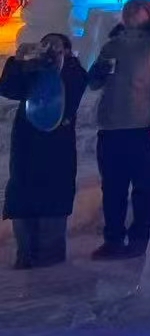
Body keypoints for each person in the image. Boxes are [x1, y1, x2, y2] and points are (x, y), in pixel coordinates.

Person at [87, 0, 150, 259]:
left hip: (142, 125)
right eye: (127, 10)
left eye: (136, 10)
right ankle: (113, 238)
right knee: (112, 187)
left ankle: (141, 236)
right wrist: (97, 73)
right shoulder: (113, 45)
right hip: (111, 125)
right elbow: (95, 82)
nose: (129, 14)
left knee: (143, 186)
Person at [1, 34, 87, 269]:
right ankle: (25, 254)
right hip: (27, 146)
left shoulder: (73, 72)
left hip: (56, 149)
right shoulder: (32, 70)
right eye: (45, 46)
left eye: (55, 48)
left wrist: (59, 64)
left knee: (52, 201)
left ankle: (50, 259)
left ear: (67, 51)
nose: (49, 51)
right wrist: (18, 61)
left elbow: (72, 92)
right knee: (23, 198)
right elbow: (8, 88)